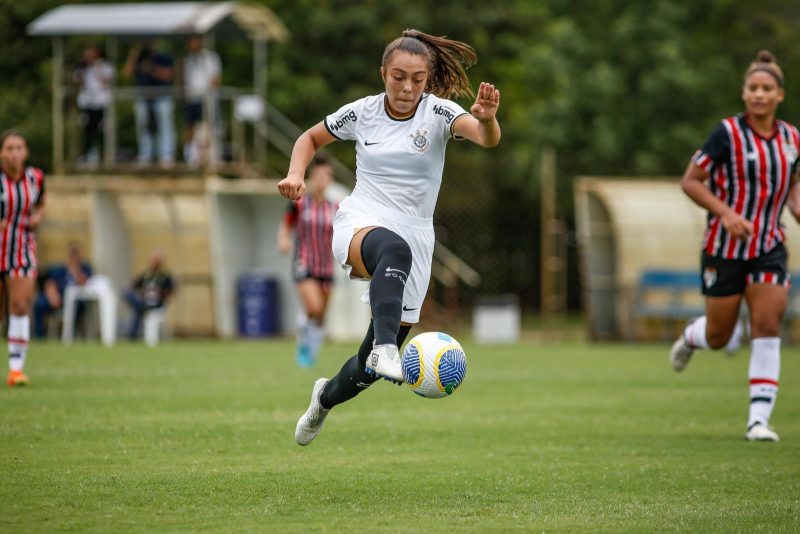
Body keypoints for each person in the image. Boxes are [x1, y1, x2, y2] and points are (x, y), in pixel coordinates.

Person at [277, 29, 501, 446]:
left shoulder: (439, 113)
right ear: (383, 73)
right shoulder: (362, 112)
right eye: (398, 76)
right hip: (363, 217)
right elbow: (310, 138)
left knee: (366, 369)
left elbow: (485, 138)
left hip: (417, 234)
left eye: (417, 79)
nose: (407, 87)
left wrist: (487, 119)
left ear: (428, 78)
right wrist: (295, 173)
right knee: (391, 252)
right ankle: (386, 347)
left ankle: (324, 397)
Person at [669, 50, 800, 442]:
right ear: (744, 93)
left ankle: (757, 420)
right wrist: (726, 213)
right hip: (723, 248)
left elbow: (793, 190)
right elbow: (691, 181)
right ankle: (693, 337)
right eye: (752, 88)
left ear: (779, 94)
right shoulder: (726, 133)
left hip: (769, 247)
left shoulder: (793, 139)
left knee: (766, 325)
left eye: (767, 88)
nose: (759, 94)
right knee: (720, 336)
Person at [277, 157, 338, 367]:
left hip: (326, 266)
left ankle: (310, 353)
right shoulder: (300, 204)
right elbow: (286, 225)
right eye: (317, 177)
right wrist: (283, 240)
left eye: (325, 177)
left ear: (330, 180)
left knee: (321, 316)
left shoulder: (335, 207)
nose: (321, 181)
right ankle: (302, 337)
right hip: (304, 262)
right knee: (314, 307)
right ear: (311, 179)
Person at [0, 131, 45, 387]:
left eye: (19, 147)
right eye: (9, 148)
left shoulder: (35, 178)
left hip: (22, 249)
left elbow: (41, 204)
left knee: (19, 305)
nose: (15, 153)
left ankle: (16, 369)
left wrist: (38, 217)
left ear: (25, 152)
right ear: (1, 153)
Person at [123, 39, 176, 168]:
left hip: (161, 96)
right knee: (143, 127)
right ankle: (145, 155)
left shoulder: (163, 57)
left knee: (164, 126)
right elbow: (127, 72)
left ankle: (166, 156)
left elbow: (168, 75)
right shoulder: (139, 57)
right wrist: (135, 53)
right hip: (143, 97)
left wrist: (151, 69)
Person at [32, 242, 92, 339]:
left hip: (75, 300)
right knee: (39, 304)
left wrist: (75, 271)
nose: (74, 256)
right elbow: (50, 283)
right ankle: (39, 335)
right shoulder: (59, 269)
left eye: (76, 253)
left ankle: (71, 335)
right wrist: (53, 296)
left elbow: (85, 283)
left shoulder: (85, 268)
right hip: (58, 297)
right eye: (72, 253)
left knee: (80, 307)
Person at [182, 36, 222, 166]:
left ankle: (212, 155)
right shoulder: (188, 59)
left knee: (208, 127)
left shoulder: (211, 57)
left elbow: (216, 79)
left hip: (206, 99)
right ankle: (190, 156)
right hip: (192, 98)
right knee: (190, 126)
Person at [73, 44, 114, 168]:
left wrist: (96, 69)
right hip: (87, 103)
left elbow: (107, 81)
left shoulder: (104, 66)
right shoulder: (82, 68)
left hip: (101, 103)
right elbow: (77, 82)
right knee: (88, 130)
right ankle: (88, 155)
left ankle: (103, 155)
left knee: (101, 129)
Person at [123, 249, 174, 340]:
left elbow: (170, 291)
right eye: (153, 260)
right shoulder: (146, 274)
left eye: (156, 260)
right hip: (144, 301)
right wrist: (140, 291)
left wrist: (158, 294)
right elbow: (133, 285)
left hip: (157, 304)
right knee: (128, 295)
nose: (154, 262)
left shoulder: (166, 277)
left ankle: (132, 337)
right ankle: (140, 307)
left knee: (138, 311)